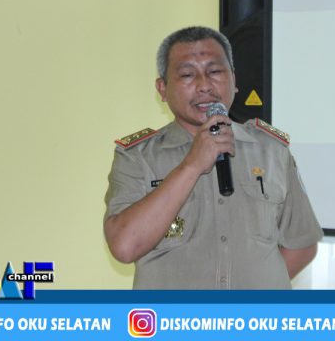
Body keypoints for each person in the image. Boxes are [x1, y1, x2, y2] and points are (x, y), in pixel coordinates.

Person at [103, 26, 322, 289]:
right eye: (187, 74)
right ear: (162, 89)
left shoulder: (271, 150)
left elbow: (301, 243)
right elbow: (125, 247)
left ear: (234, 80)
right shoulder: (137, 158)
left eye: (215, 72)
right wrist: (192, 165)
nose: (204, 85)